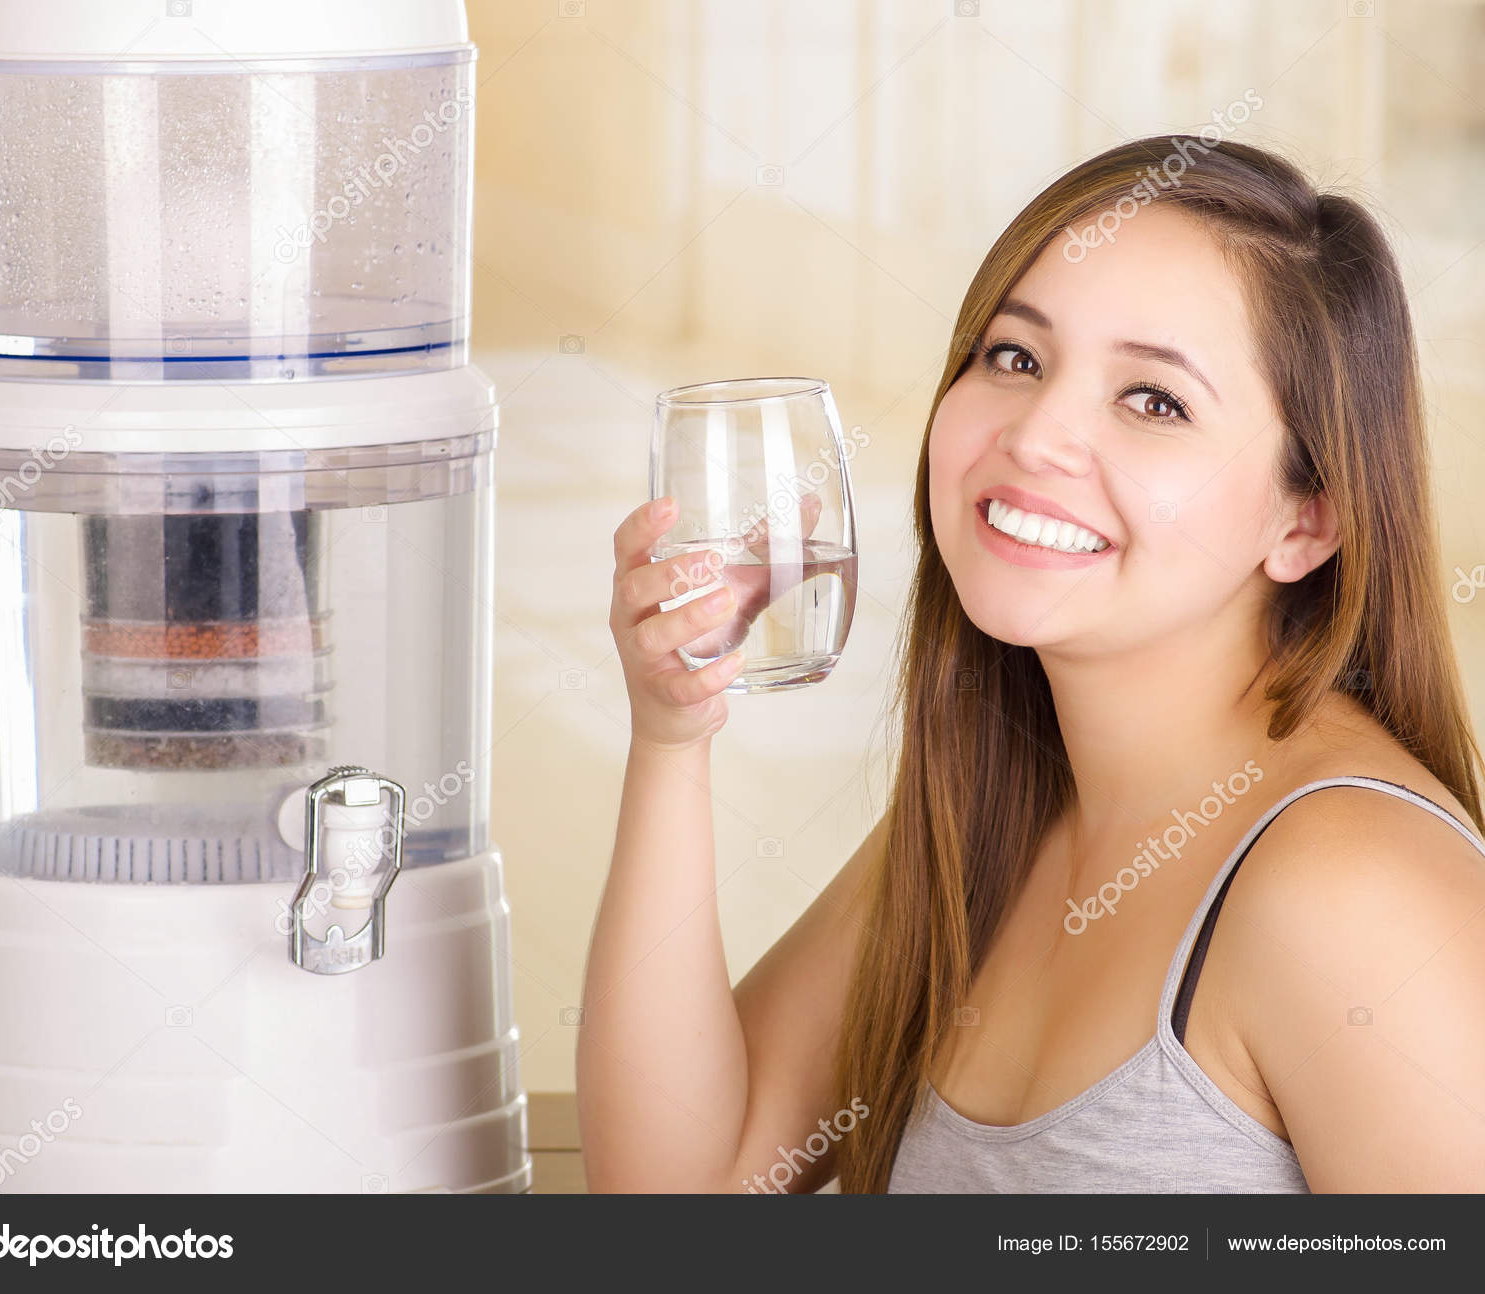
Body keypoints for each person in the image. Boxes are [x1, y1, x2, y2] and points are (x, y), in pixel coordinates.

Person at [578, 136, 1485, 1193]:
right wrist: (670, 735)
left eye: (1154, 399)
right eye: (1015, 356)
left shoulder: (1349, 891)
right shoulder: (995, 809)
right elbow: (677, 1196)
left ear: (1306, 520)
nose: (1038, 432)